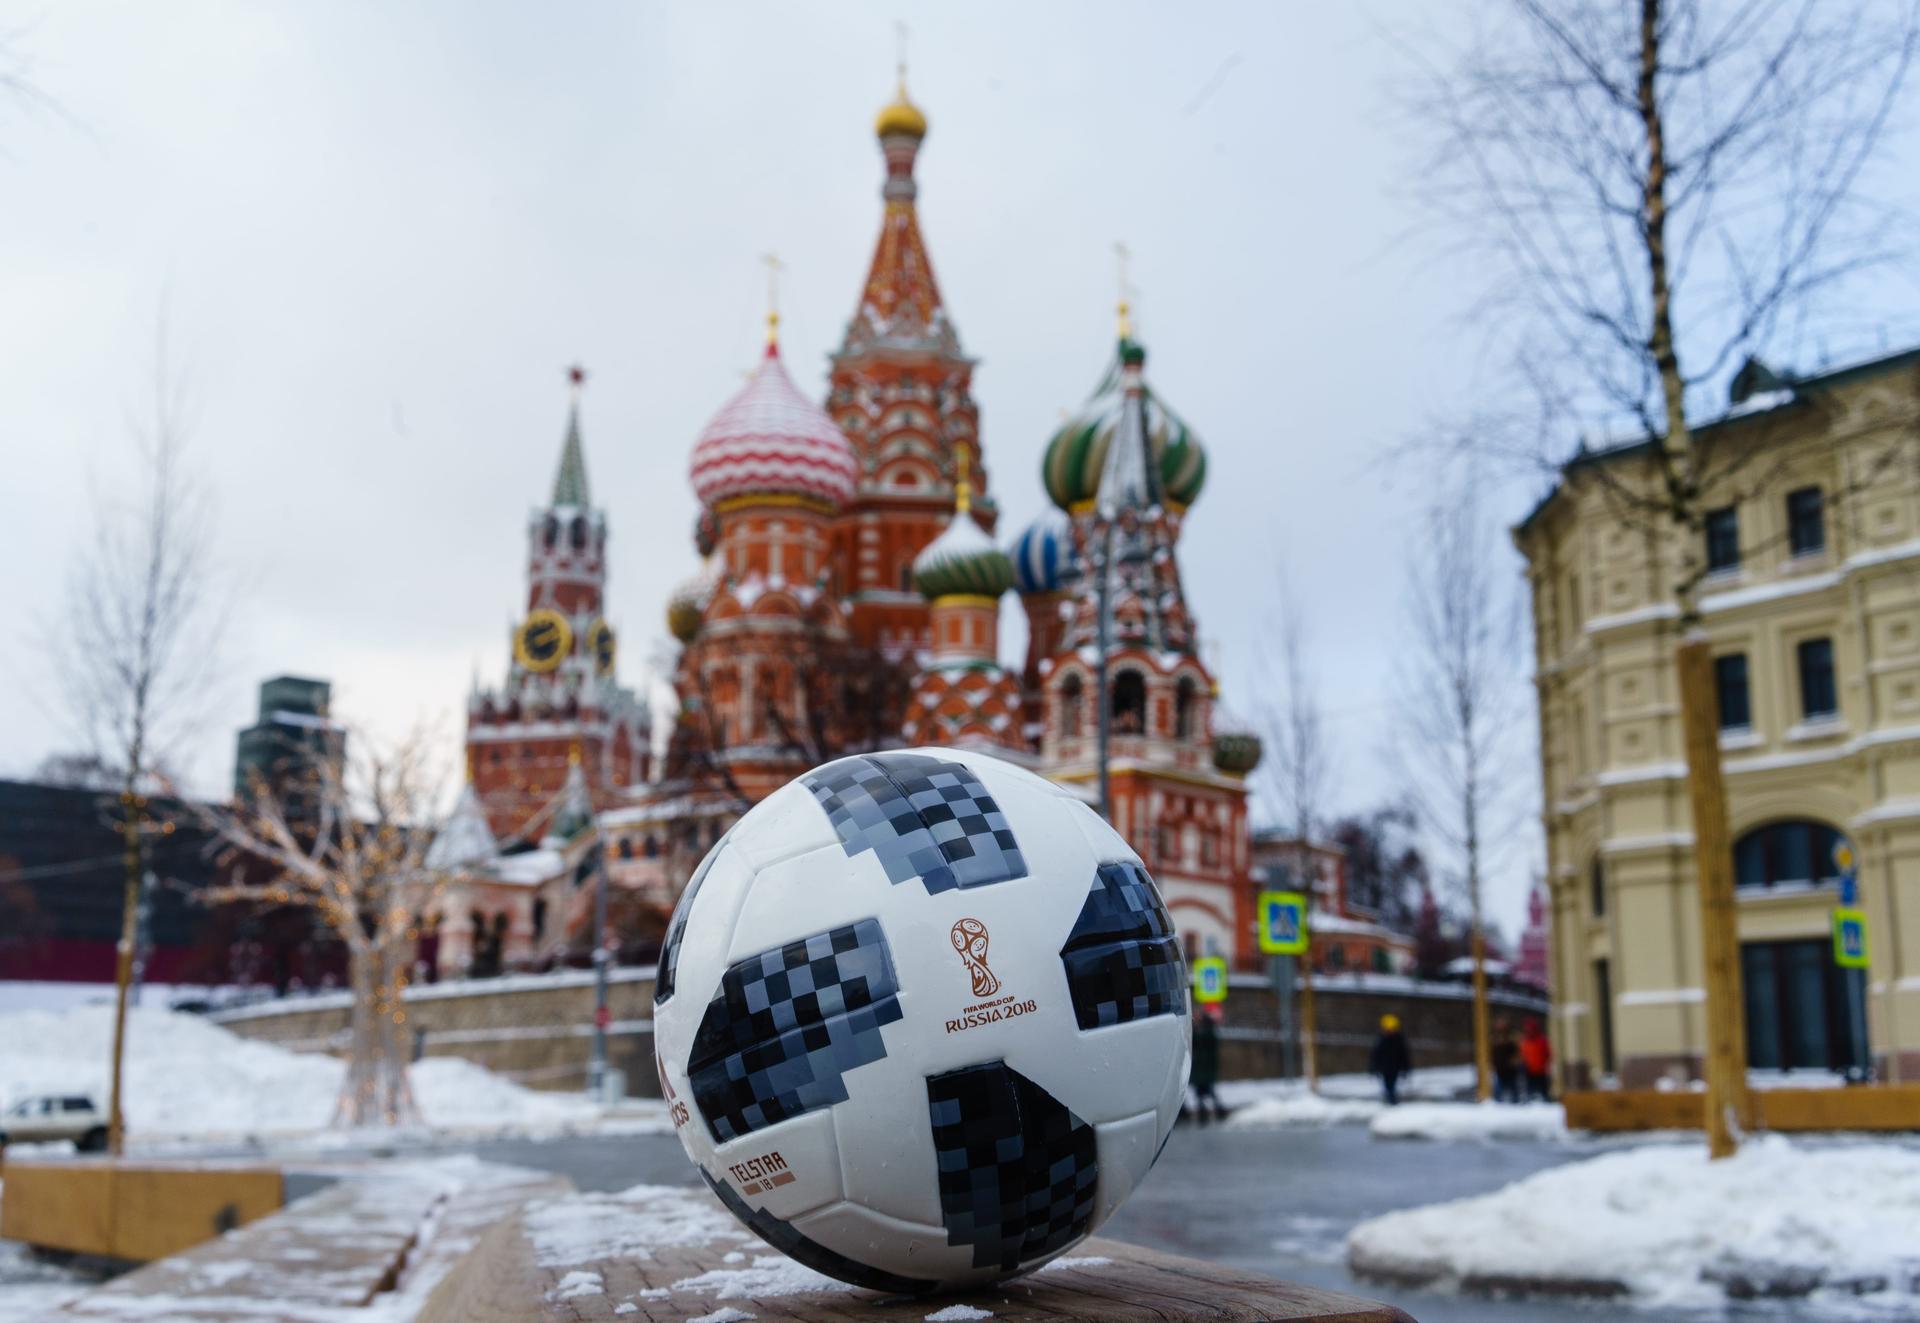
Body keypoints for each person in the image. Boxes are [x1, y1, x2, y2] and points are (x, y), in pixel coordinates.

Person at [1188, 1007, 1224, 1124]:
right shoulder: (1211, 1034)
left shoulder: (1207, 1035)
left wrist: (1192, 1025)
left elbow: (1196, 1038)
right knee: (1207, 1093)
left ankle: (1207, 1115)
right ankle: (1215, 1113)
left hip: (1202, 1071)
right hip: (1205, 1071)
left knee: (1204, 1094)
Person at [1370, 1013, 1412, 1105]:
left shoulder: (1399, 1040)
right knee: (1387, 1084)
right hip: (1385, 1067)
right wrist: (1373, 1066)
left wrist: (1406, 1068)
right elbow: (1376, 1055)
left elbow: (1404, 1055)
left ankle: (1392, 1099)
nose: (1389, 1030)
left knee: (1392, 1084)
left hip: (1395, 1067)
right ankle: (1390, 1099)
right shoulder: (1381, 1040)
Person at [1519, 1019, 1552, 1100]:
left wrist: (1546, 1065)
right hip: (1529, 1071)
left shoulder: (1542, 1040)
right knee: (1530, 1093)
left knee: (1544, 1093)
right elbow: (1523, 1055)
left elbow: (1548, 1054)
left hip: (1541, 1071)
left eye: (1531, 1029)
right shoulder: (1524, 1041)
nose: (1529, 1031)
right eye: (1527, 1030)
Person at [1491, 1019, 1521, 1103]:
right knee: (1498, 1091)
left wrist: (1515, 1061)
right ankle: (1496, 1105)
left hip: (1510, 1069)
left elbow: (1517, 1051)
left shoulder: (1512, 1036)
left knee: (1513, 1090)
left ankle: (1516, 1104)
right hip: (1499, 1069)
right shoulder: (1495, 1037)